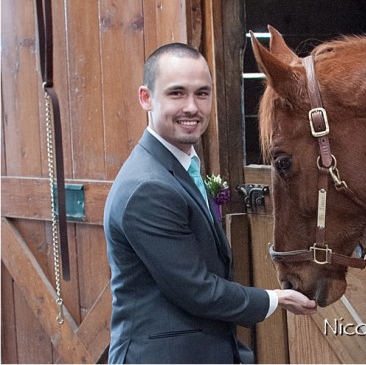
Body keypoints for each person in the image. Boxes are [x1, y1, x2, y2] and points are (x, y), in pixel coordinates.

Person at [104, 42, 317, 364]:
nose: (192, 107)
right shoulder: (148, 187)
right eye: (177, 93)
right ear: (146, 98)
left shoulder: (178, 165)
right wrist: (274, 299)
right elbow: (196, 290)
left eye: (202, 93)